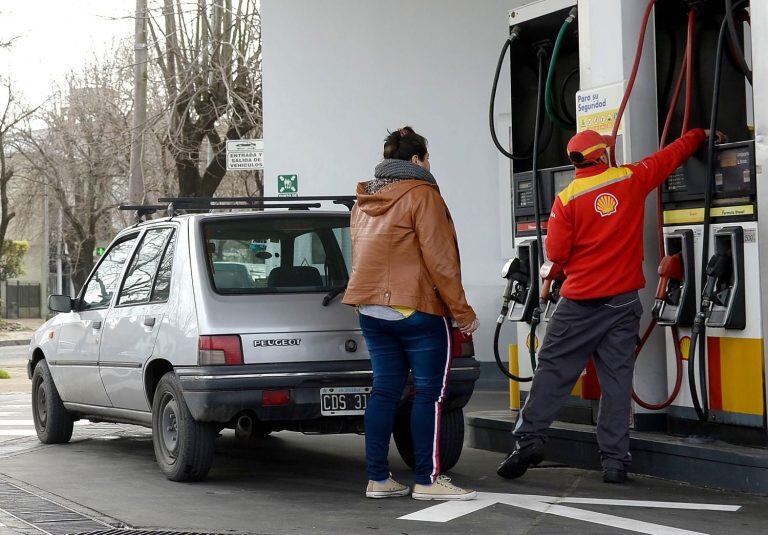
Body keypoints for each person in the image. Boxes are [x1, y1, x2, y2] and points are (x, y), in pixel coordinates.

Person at [497, 127, 710, 484]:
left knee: (552, 372)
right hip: (623, 303)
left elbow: (556, 254)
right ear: (603, 155)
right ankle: (614, 462)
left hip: (579, 304)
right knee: (616, 382)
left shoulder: (566, 199)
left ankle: (528, 441)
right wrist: (698, 135)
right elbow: (668, 157)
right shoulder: (631, 177)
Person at [343, 126, 479, 501]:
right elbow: (441, 259)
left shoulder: (363, 200)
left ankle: (378, 479)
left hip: (370, 309)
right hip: (416, 310)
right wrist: (461, 310)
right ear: (417, 160)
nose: (430, 163)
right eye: (428, 157)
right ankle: (428, 480)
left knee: (384, 391)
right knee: (430, 395)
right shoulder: (423, 195)